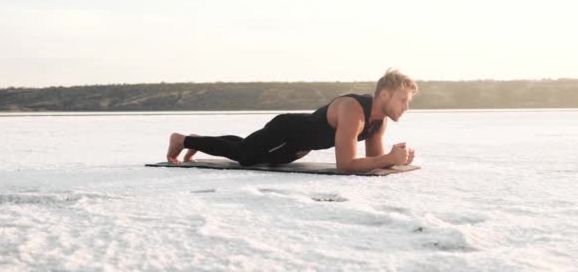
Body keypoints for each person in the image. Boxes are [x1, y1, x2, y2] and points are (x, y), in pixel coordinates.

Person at [166, 68, 418, 173]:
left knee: (252, 152)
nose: (406, 107)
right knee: (245, 155)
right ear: (384, 94)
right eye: (403, 100)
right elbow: (346, 165)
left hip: (298, 147)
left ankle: (200, 141)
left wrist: (395, 160)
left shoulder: (378, 121)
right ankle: (183, 139)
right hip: (286, 130)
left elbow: (371, 164)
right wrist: (387, 159)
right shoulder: (353, 110)